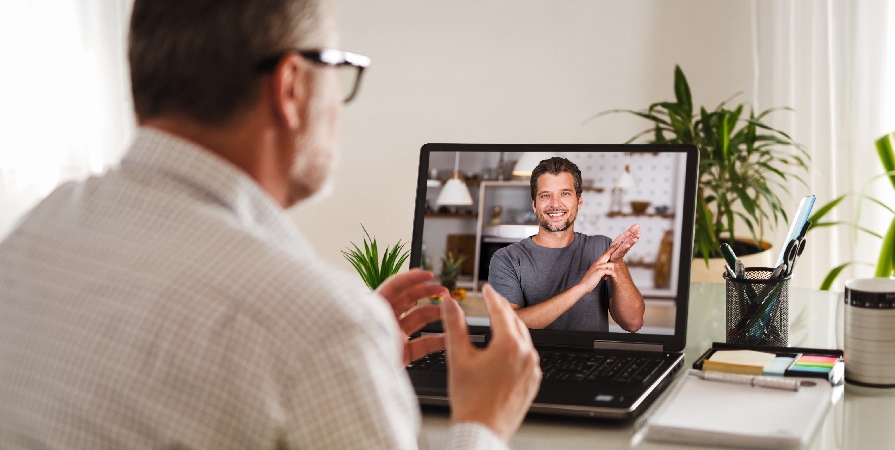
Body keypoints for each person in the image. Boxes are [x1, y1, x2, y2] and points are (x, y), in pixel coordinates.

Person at [0, 0, 540, 448]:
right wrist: (482, 423)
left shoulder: (35, 234)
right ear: (291, 86)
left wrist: (346, 372)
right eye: (340, 70)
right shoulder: (319, 325)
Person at [488, 157, 645, 333]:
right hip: (531, 360)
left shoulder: (601, 248)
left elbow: (633, 323)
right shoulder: (507, 259)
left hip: (590, 360)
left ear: (579, 202)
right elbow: (507, 326)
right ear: (534, 205)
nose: (555, 204)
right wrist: (582, 288)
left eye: (565, 193)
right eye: (545, 195)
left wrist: (617, 263)